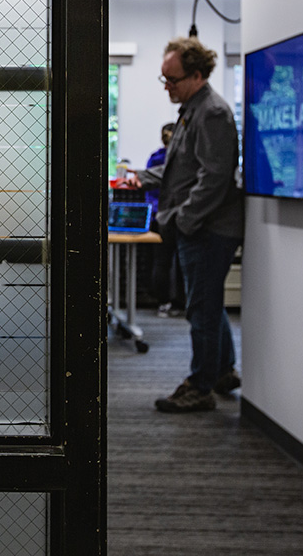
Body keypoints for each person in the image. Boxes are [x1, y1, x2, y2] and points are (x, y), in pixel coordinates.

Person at [123, 37, 244, 413]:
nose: (166, 87)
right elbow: (182, 166)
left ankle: (200, 386)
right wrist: (143, 176)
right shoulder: (192, 108)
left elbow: (215, 177)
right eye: (163, 80)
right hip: (201, 227)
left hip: (209, 230)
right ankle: (223, 370)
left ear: (195, 75)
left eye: (171, 79)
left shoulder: (212, 113)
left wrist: (183, 219)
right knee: (207, 304)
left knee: (200, 309)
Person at [145, 123, 184, 318]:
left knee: (161, 261)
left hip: (157, 215)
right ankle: (179, 303)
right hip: (177, 215)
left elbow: (148, 189)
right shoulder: (180, 159)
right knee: (181, 261)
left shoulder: (154, 159)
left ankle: (162, 302)